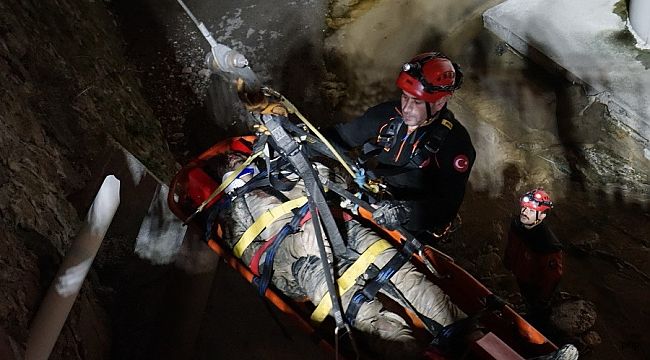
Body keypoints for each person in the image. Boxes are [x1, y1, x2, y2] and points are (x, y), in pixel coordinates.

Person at [208, 150, 466, 359]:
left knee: (405, 276)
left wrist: (318, 172)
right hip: (303, 264)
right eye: (234, 165)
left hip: (341, 228)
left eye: (240, 159)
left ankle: (469, 336)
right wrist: (298, 246)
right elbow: (253, 259)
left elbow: (339, 175)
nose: (240, 164)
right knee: (369, 317)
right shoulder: (234, 210)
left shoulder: (284, 165)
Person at [328, 51, 476, 240]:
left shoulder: (455, 145)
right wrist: (299, 136)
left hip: (414, 223)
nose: (406, 108)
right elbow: (342, 136)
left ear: (439, 102)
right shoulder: (387, 115)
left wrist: (406, 213)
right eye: (405, 97)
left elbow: (447, 205)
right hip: (378, 198)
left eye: (416, 101)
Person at [503, 188, 563, 329]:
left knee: (536, 308)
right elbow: (512, 244)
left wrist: (543, 299)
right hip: (521, 274)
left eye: (530, 211)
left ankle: (539, 324)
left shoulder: (548, 244)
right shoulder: (517, 225)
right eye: (524, 208)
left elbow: (553, 277)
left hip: (535, 283)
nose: (524, 213)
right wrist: (508, 260)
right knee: (526, 297)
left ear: (541, 216)